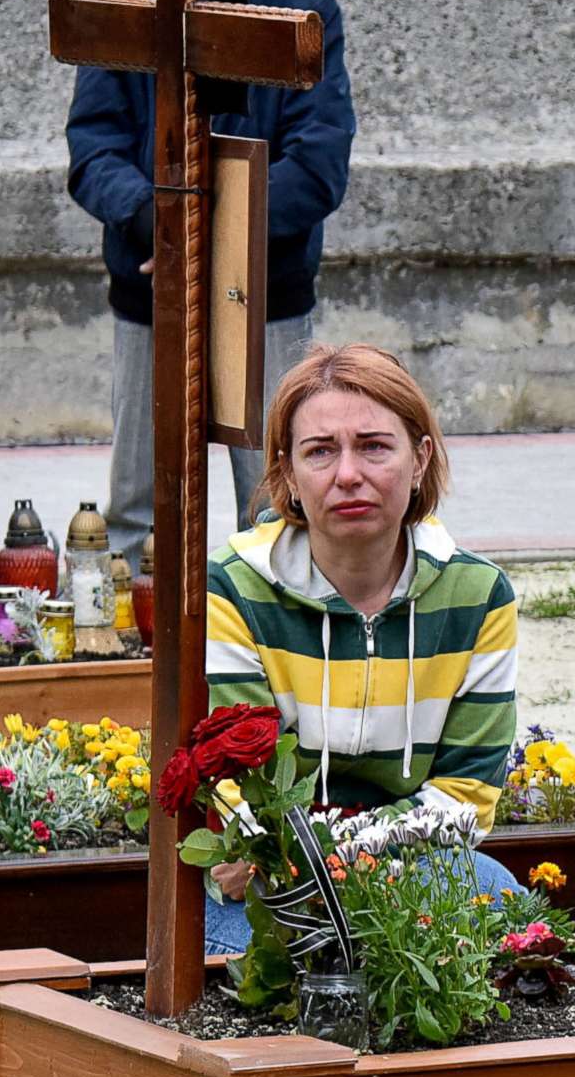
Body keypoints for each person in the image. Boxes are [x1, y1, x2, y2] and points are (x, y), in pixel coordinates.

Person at [67, 0, 357, 564]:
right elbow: (93, 147)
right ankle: (131, 655)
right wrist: (158, 225)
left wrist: (214, 245)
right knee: (135, 502)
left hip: (263, 292)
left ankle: (269, 654)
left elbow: (318, 162)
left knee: (272, 499)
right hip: (149, 283)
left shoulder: (303, 11)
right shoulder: (122, 7)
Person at [203, 343, 519, 945]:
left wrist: (345, 852)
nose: (348, 473)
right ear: (287, 475)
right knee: (260, 967)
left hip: (415, 863)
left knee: (512, 919)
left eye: (374, 446)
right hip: (271, 876)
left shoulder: (478, 597)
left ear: (421, 458)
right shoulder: (235, 589)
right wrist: (304, 859)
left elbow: (465, 797)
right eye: (320, 452)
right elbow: (241, 788)